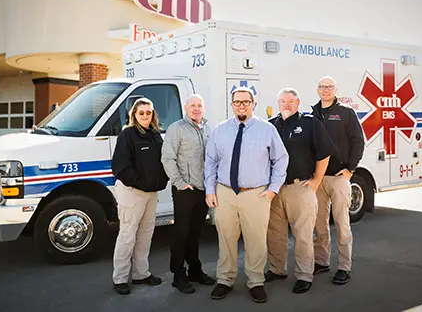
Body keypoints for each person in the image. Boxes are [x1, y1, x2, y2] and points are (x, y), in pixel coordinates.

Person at [204, 87, 289, 303]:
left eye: (246, 102)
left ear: (253, 104)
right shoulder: (220, 130)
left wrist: (273, 190)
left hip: (256, 194)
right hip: (224, 193)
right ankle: (225, 279)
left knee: (256, 240)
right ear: (231, 104)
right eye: (237, 102)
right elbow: (211, 161)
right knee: (226, 238)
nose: (241, 105)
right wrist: (210, 190)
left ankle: (256, 281)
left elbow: (280, 160)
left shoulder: (267, 129)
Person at [266, 88, 335, 294]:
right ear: (277, 103)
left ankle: (305, 274)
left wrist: (316, 181)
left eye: (290, 101)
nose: (286, 104)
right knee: (275, 233)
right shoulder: (270, 126)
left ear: (298, 103)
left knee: (303, 234)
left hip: (300, 186)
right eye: (282, 101)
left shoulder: (310, 123)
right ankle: (277, 269)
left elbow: (324, 153)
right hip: (275, 189)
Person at [111, 97, 169, 295]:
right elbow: (120, 166)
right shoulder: (127, 135)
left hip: (151, 194)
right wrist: (140, 182)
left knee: (145, 235)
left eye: (148, 112)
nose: (145, 116)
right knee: (127, 236)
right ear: (134, 115)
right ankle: (119, 278)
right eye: (141, 112)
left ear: (153, 115)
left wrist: (161, 182)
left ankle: (141, 274)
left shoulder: (155, 135)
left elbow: (162, 162)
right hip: (132, 193)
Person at [311, 76, 364, 285]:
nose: (326, 90)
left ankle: (344, 266)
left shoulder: (346, 113)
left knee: (342, 223)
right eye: (322, 87)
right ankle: (322, 261)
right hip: (318, 178)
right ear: (317, 90)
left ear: (335, 89)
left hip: (339, 177)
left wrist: (350, 168)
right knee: (319, 223)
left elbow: (358, 141)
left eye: (329, 87)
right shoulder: (312, 113)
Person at [161, 94, 216, 294]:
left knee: (196, 233)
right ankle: (178, 274)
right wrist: (180, 183)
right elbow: (167, 158)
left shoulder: (208, 128)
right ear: (186, 107)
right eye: (192, 105)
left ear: (204, 108)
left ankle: (195, 270)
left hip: (203, 190)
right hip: (185, 190)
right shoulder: (177, 128)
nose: (196, 108)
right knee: (181, 233)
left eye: (199, 105)